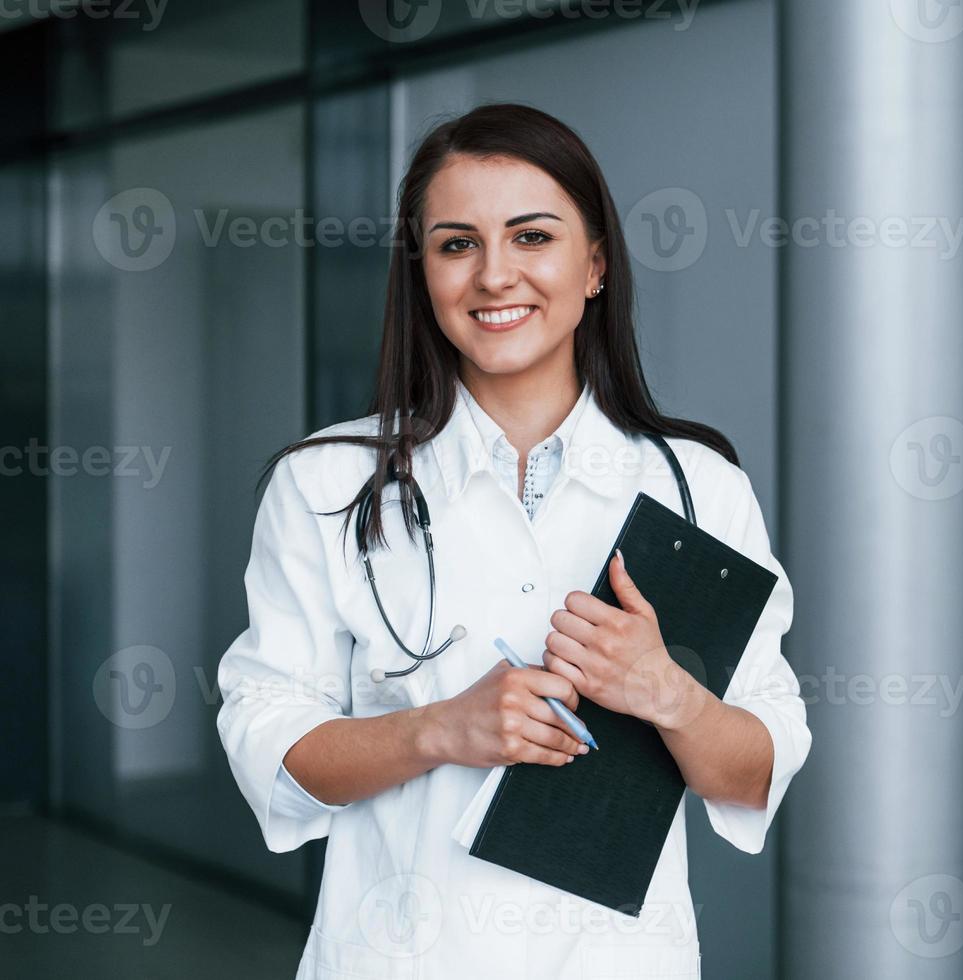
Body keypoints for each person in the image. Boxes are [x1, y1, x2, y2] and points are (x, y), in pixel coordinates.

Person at [215, 102, 810, 979]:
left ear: (595, 265)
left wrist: (668, 693)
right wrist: (441, 730)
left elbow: (755, 772)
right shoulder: (326, 485)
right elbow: (267, 744)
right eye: (457, 244)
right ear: (422, 272)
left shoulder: (698, 488)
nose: (495, 275)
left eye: (532, 237)